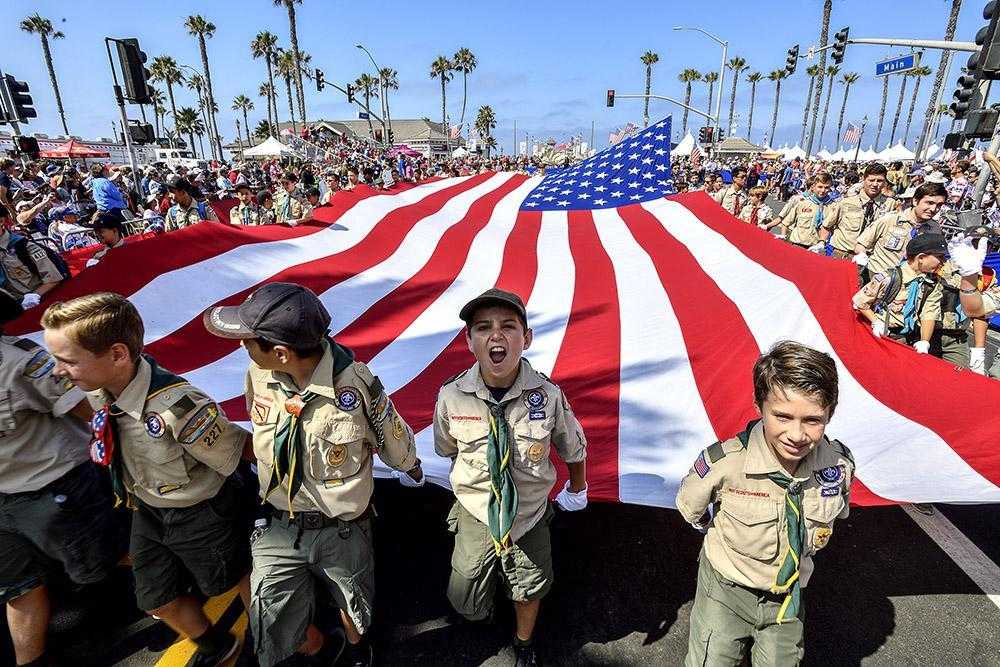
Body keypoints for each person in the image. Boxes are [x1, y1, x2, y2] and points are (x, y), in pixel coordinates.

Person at [203, 282, 424, 667]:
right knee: (270, 613)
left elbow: (394, 438)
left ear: (282, 352)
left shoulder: (355, 385)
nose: (242, 347)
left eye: (249, 340)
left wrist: (410, 466)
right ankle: (319, 647)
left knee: (352, 602)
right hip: (279, 524)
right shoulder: (259, 374)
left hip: (342, 528)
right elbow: (261, 428)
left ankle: (357, 649)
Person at [41, 293, 251, 667]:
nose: (58, 370)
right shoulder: (100, 393)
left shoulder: (177, 407)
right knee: (157, 599)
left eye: (67, 360)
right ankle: (214, 644)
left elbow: (238, 453)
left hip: (200, 512)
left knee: (235, 579)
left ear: (118, 355)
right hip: (147, 510)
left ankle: (290, 641)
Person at [434, 288, 588, 667]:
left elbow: (574, 447)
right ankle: (484, 607)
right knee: (465, 598)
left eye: (508, 326)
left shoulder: (548, 396)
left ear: (527, 338)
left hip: (528, 513)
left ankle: (523, 642)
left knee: (529, 586)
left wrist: (577, 488)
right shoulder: (451, 395)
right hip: (477, 508)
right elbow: (447, 447)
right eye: (483, 328)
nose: (496, 336)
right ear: (469, 341)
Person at [677, 341, 854, 666]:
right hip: (726, 591)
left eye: (813, 420)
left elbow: (837, 512)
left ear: (830, 412)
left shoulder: (837, 466)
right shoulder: (726, 463)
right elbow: (692, 507)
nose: (797, 434)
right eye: (782, 416)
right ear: (760, 405)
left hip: (787, 597)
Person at [0, 289, 121, 667]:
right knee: (19, 589)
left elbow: (88, 410)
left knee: (108, 555)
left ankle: (179, 583)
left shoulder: (20, 364)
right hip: (5, 503)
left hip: (56, 488)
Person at [851, 233, 947, 353]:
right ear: (921, 257)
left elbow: (929, 313)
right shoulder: (889, 277)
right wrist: (876, 321)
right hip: (880, 333)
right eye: (940, 257)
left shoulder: (931, 284)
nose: (943, 262)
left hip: (906, 338)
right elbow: (860, 301)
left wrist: (924, 341)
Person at [854, 182, 947, 282]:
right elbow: (861, 244)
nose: (934, 209)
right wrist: (862, 256)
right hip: (878, 278)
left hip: (909, 282)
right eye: (929, 203)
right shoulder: (889, 220)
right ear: (915, 201)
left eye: (939, 205)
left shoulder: (934, 229)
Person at [820, 163, 892, 260]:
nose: (875, 184)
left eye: (879, 181)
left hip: (870, 260)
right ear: (863, 180)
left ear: (884, 182)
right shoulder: (846, 202)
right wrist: (821, 242)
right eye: (871, 180)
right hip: (842, 255)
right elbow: (827, 225)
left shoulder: (890, 205)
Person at [0, 205, 66, 309]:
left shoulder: (24, 247)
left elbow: (53, 278)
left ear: (1, 221)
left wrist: (34, 296)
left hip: (35, 306)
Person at [778, 173, 839, 252]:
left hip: (817, 248)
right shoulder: (803, 203)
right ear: (813, 187)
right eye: (820, 187)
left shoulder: (834, 206)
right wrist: (783, 236)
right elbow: (786, 222)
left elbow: (833, 229)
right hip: (797, 245)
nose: (823, 190)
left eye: (826, 187)